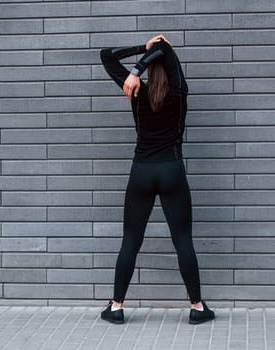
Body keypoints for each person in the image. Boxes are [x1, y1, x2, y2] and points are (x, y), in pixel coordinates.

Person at [99, 35, 215, 325]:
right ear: (171, 69)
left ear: (150, 71)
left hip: (142, 171)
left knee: (130, 240)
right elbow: (166, 48)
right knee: (182, 240)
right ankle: (197, 308)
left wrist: (138, 62)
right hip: (172, 170)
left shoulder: (135, 90)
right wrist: (153, 51)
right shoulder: (179, 91)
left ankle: (116, 307)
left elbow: (106, 55)